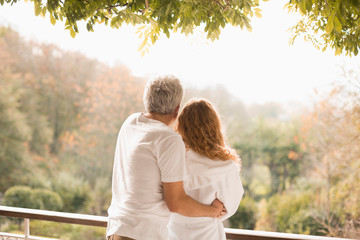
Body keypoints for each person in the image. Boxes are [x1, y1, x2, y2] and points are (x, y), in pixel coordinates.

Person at [106, 76, 225, 240]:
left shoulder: (130, 123)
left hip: (116, 230)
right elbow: (176, 203)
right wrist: (213, 211)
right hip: (142, 234)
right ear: (177, 108)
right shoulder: (168, 139)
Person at [168, 98, 244, 240]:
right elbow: (231, 205)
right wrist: (214, 210)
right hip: (208, 235)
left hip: (173, 234)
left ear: (182, 125)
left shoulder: (172, 160)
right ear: (214, 126)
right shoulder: (225, 165)